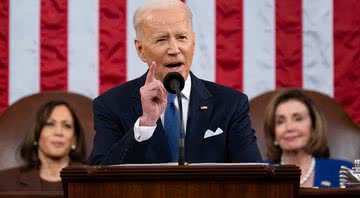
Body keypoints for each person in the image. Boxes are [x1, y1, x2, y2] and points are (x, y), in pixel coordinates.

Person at [88, 0, 262, 165]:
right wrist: (146, 124)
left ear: (192, 43)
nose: (174, 49)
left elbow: (254, 175)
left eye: (181, 37)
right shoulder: (110, 105)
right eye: (161, 39)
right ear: (140, 50)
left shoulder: (231, 104)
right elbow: (99, 176)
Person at [263, 88, 352, 188]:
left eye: (298, 119)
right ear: (273, 133)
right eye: (280, 121)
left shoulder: (344, 172)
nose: (289, 128)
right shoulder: (259, 175)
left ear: (313, 128)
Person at [0, 101, 86, 192]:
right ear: (36, 135)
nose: (58, 132)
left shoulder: (93, 181)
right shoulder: (4, 182)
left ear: (74, 140)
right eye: (49, 124)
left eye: (67, 126)